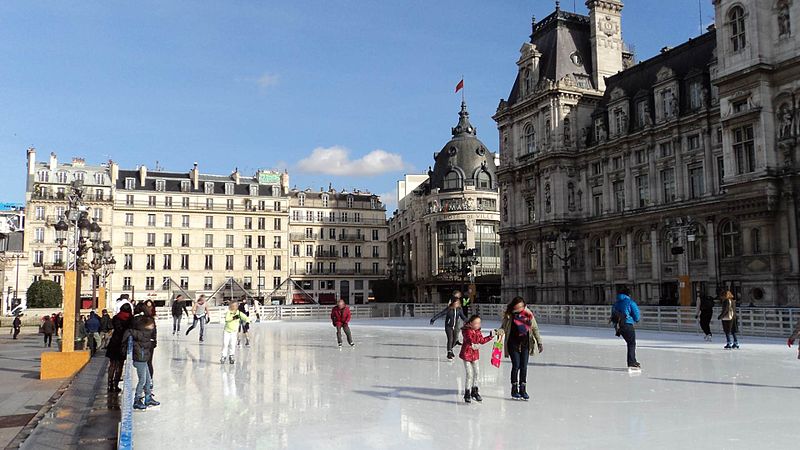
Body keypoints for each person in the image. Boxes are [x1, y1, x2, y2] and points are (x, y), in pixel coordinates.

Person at [498, 297, 543, 400]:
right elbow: (503, 327)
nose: (520, 308)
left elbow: (535, 328)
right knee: (516, 365)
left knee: (524, 366)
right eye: (518, 307)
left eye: (522, 306)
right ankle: (514, 389)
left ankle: (523, 389)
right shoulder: (509, 315)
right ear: (514, 306)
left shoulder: (528, 314)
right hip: (513, 344)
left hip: (525, 344)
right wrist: (499, 332)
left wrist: (539, 342)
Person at [123, 303, 160, 410]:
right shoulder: (141, 334)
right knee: (142, 379)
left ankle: (148, 398)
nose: (153, 327)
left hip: (144, 356)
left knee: (148, 380)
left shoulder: (144, 334)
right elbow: (130, 334)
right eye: (151, 326)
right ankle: (137, 399)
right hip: (140, 357)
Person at [459, 314, 494, 403]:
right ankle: (467, 393)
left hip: (474, 355)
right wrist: (472, 344)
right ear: (470, 323)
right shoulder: (466, 330)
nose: (478, 325)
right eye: (476, 323)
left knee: (477, 372)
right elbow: (468, 338)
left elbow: (481, 340)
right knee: (469, 374)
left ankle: (474, 391)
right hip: (466, 354)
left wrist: (490, 336)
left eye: (479, 323)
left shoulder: (478, 331)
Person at [611, 286, 641, 369]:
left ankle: (632, 361)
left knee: (629, 343)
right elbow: (637, 316)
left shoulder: (615, 303)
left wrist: (617, 328)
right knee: (631, 343)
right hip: (627, 325)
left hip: (619, 326)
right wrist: (635, 319)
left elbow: (613, 316)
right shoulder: (630, 302)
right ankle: (632, 362)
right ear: (628, 294)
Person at [106, 303, 133, 392]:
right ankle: (116, 384)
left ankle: (109, 384)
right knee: (120, 366)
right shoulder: (130, 319)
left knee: (112, 365)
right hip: (123, 344)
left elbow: (115, 328)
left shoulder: (116, 317)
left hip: (114, 343)